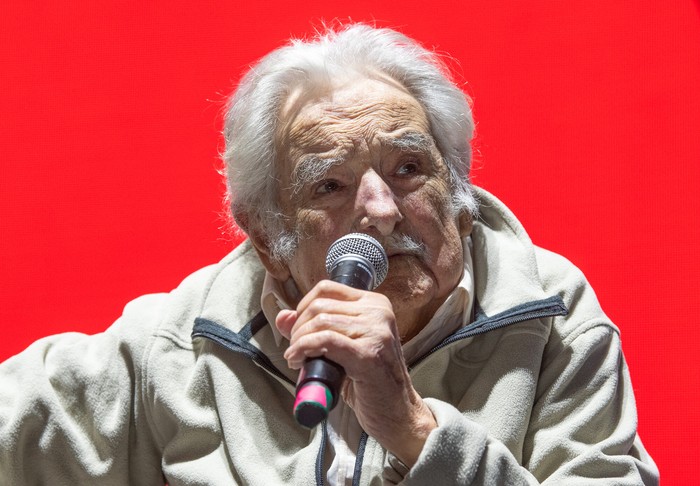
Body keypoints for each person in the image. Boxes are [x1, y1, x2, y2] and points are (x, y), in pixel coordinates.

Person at [0, 24, 658, 485]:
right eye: (330, 185)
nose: (380, 209)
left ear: (458, 191)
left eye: (407, 168)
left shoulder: (554, 321)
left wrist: (415, 430)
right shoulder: (184, 343)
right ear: (267, 238)